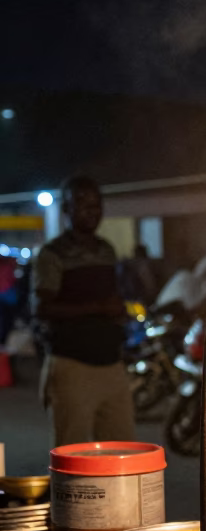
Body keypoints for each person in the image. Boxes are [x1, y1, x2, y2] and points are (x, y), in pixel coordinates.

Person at [33, 175, 134, 446]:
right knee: (73, 453)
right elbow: (42, 308)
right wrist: (98, 307)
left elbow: (110, 295)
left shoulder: (106, 250)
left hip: (111, 363)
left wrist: (117, 312)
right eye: (82, 204)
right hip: (72, 364)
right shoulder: (52, 254)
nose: (93, 210)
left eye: (97, 204)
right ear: (66, 210)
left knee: (120, 452)